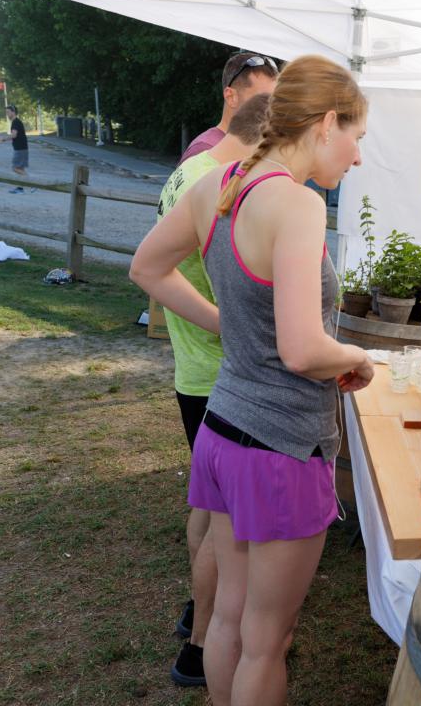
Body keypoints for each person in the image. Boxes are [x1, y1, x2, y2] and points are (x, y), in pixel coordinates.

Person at [130, 55, 373, 706]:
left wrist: (227, 330)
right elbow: (301, 349)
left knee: (230, 620)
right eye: (356, 138)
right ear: (326, 123)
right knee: (268, 637)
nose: (354, 158)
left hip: (223, 431)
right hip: (281, 449)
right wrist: (355, 357)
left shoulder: (217, 184)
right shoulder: (294, 204)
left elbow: (147, 269)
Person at [155, 93, 271, 687]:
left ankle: (194, 622)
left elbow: (153, 268)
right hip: (219, 372)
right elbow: (155, 267)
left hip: (196, 368)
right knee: (220, 521)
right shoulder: (224, 180)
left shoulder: (188, 173)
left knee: (206, 506)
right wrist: (225, 324)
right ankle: (201, 642)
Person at [181, 52, 279, 164]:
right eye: (263, 99)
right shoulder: (205, 150)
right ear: (231, 97)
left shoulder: (255, 149)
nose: (272, 108)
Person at [0, 105, 28, 177]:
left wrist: (4, 139)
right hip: (22, 148)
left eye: (8, 112)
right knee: (21, 169)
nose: (7, 114)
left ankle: (32, 183)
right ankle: (20, 188)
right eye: (6, 112)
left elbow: (14, 135)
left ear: (13, 112)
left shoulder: (15, 122)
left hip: (20, 149)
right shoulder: (17, 121)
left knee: (15, 168)